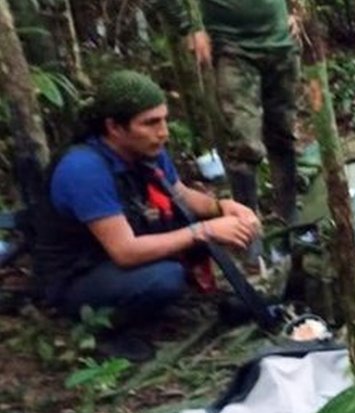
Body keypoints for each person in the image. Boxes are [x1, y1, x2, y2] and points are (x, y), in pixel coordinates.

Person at [32, 70, 260, 355]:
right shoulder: (84, 169)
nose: (163, 132)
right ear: (114, 127)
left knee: (192, 231)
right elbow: (125, 251)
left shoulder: (147, 150)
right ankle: (102, 331)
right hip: (78, 274)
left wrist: (222, 207)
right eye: (150, 123)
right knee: (164, 278)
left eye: (164, 120)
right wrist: (204, 231)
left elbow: (180, 195)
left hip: (118, 250)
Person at [155, 0, 302, 226]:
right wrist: (189, 29)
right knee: (245, 143)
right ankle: (248, 228)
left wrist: (296, 9)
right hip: (233, 48)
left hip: (280, 43)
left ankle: (290, 218)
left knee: (283, 133)